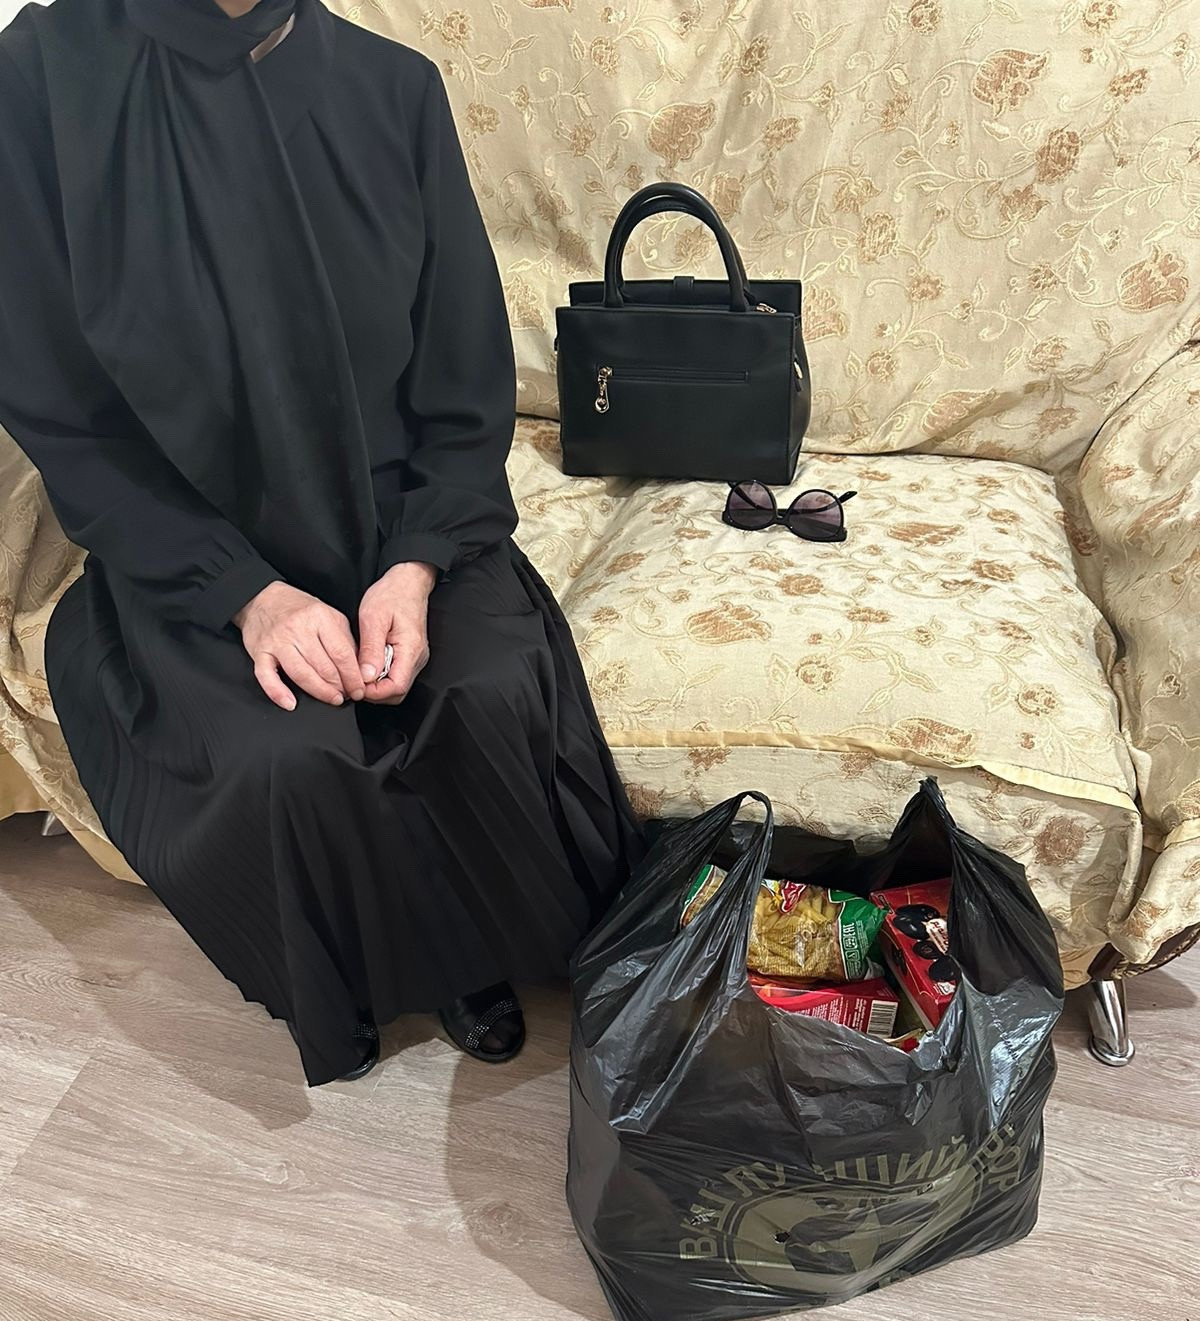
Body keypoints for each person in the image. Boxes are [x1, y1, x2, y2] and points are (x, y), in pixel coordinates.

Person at [0, 0, 644, 1086]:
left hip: (397, 513)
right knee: (288, 756)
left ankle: (472, 956)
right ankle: (364, 980)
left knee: (482, 694)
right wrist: (245, 593)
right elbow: (65, 414)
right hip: (190, 541)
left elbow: (462, 373)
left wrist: (417, 562)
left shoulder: (393, 90)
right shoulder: (40, 80)